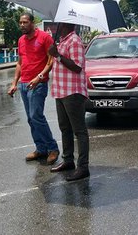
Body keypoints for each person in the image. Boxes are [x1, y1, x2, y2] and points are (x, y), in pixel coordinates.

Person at [7, 13, 59, 165]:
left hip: (38, 84)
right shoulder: (21, 40)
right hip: (24, 84)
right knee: (31, 118)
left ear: (32, 23)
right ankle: (41, 148)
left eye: (25, 22)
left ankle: (52, 148)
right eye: (20, 22)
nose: (22, 25)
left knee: (36, 116)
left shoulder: (44, 38)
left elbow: (50, 62)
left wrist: (39, 77)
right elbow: (20, 63)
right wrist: (14, 83)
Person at [48, 22, 90, 181]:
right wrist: (55, 52)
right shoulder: (63, 41)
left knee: (79, 131)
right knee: (65, 128)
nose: (55, 27)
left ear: (65, 24)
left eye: (58, 23)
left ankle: (83, 166)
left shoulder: (75, 41)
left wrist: (57, 55)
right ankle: (68, 160)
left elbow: (77, 67)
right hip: (60, 91)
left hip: (73, 92)